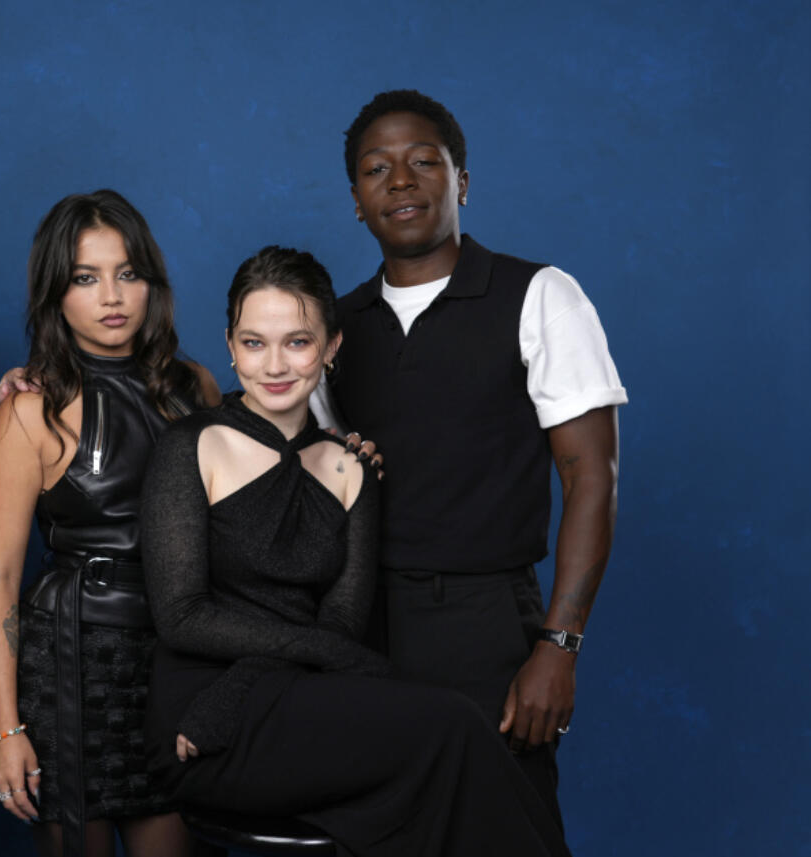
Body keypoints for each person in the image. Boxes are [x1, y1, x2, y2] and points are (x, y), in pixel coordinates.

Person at [142, 245, 572, 857]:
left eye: (297, 341)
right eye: (254, 342)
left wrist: (246, 686)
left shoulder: (349, 468)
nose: (274, 365)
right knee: (451, 726)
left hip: (280, 695)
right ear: (231, 346)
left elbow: (340, 625)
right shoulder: (191, 445)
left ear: (332, 346)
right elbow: (183, 617)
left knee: (455, 752)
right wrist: (233, 698)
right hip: (197, 718)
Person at [313, 89, 628, 828]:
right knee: (376, 832)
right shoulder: (336, 328)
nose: (400, 180)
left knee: (502, 825)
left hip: (486, 623)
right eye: (375, 168)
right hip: (359, 623)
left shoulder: (539, 295)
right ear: (356, 199)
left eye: (425, 160)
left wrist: (558, 645)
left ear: (461, 180)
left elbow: (592, 477)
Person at [0, 190, 221, 857]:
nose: (111, 295)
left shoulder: (195, 388)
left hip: (175, 661)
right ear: (58, 292)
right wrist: (4, 728)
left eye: (128, 273)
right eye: (86, 277)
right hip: (69, 668)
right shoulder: (28, 409)